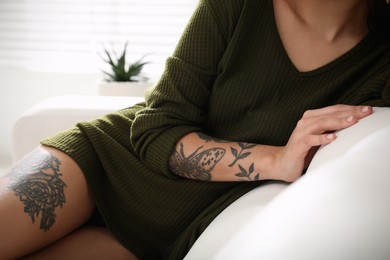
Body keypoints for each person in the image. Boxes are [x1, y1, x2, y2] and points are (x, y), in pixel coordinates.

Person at [1, 0, 389, 259]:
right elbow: (156, 127)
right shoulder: (236, 5)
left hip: (177, 230)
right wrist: (276, 159)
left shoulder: (381, 59)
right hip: (108, 162)